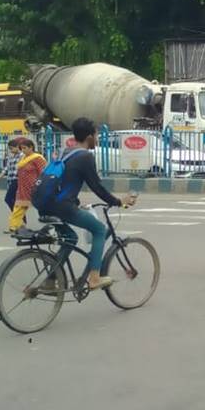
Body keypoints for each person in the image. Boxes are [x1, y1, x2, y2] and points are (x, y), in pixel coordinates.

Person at [40, 118, 137, 291]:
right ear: (89, 137)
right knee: (99, 229)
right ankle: (94, 278)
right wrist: (117, 201)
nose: (98, 140)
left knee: (70, 239)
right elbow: (97, 187)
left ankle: (50, 279)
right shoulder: (85, 156)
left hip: (45, 204)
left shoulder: (64, 152)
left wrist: (75, 202)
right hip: (62, 207)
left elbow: (63, 181)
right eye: (97, 136)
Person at [7, 138, 45, 234]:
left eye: (25, 148)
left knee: (43, 207)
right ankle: (14, 226)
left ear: (31, 147)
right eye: (22, 148)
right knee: (18, 207)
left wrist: (40, 185)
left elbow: (43, 172)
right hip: (22, 187)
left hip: (34, 187)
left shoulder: (38, 158)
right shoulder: (23, 158)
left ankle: (56, 224)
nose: (23, 150)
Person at [0, 138, 23, 213]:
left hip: (17, 180)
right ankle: (19, 217)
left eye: (12, 148)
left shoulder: (22, 156)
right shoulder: (10, 157)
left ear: (17, 146)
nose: (11, 150)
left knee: (8, 199)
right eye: (10, 149)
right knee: (14, 200)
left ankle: (17, 216)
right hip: (10, 181)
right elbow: (5, 170)